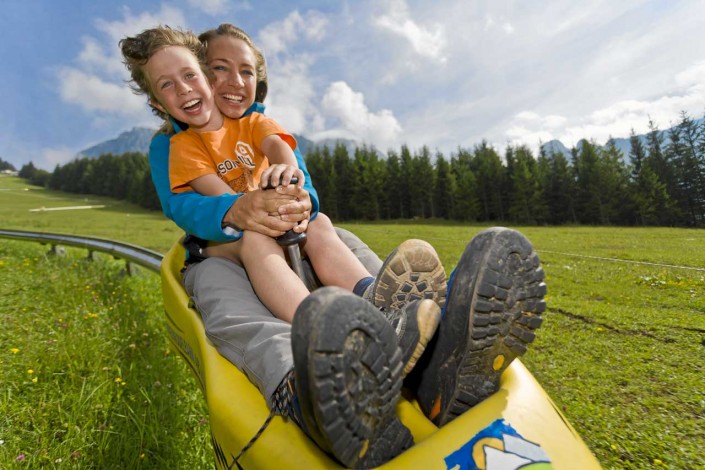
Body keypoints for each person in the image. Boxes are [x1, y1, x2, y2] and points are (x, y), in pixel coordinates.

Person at [121, 24, 546, 469]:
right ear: (160, 98)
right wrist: (241, 209)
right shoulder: (174, 145)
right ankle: (319, 374)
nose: (228, 83)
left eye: (241, 72)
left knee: (329, 230)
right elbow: (190, 203)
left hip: (295, 234)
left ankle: (428, 339)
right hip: (225, 252)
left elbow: (293, 167)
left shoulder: (255, 124)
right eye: (217, 69)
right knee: (234, 304)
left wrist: (295, 192)